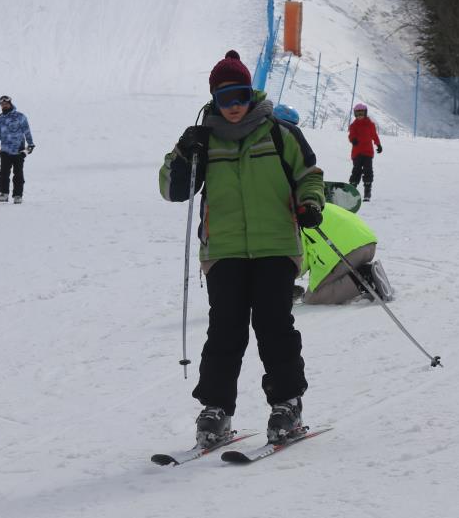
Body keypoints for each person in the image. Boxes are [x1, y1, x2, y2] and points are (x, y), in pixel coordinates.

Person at [159, 50, 326, 446]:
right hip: (224, 250)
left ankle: (287, 403)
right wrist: (183, 154)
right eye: (224, 99)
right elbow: (172, 189)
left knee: (274, 327)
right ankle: (216, 410)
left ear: (250, 93)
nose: (233, 106)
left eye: (239, 96)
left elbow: (309, 174)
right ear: (213, 100)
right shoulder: (203, 140)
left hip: (276, 246)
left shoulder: (279, 132)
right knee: (225, 331)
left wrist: (311, 203)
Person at [297, 203, 393, 304]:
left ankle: (366, 277)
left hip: (346, 252)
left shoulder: (297, 220)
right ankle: (360, 276)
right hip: (367, 243)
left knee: (312, 298)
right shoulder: (315, 203)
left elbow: (299, 260)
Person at [0, 95, 35, 204]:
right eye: (2, 104)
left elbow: (27, 131)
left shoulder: (20, 117)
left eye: (6, 103)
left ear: (10, 103)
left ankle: (18, 195)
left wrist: (30, 144)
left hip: (18, 150)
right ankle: (4, 194)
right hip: (5, 150)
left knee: (18, 173)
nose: (4, 105)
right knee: (4, 173)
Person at [347, 102, 382, 202]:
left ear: (365, 113)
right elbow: (351, 135)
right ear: (355, 114)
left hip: (368, 153)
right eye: (357, 114)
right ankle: (352, 190)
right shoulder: (354, 125)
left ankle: (367, 191)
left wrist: (378, 144)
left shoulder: (370, 124)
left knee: (368, 171)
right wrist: (353, 139)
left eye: (361, 113)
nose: (360, 116)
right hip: (357, 153)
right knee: (356, 170)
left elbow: (374, 135)